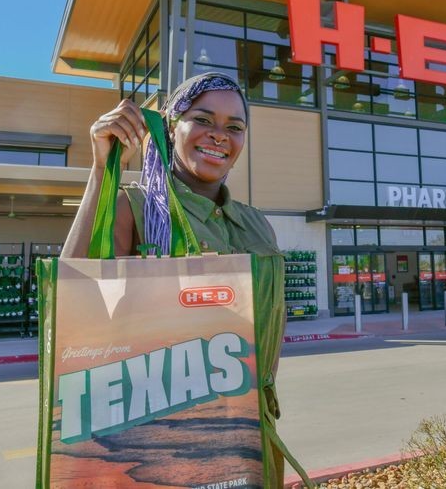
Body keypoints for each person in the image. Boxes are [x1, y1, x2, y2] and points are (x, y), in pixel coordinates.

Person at [60, 71, 293, 486]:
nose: (219, 134)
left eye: (234, 127)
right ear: (170, 127)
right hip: (165, 448)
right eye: (202, 119)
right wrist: (101, 169)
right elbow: (70, 302)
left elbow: (272, 320)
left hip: (251, 435)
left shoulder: (257, 224)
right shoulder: (135, 209)